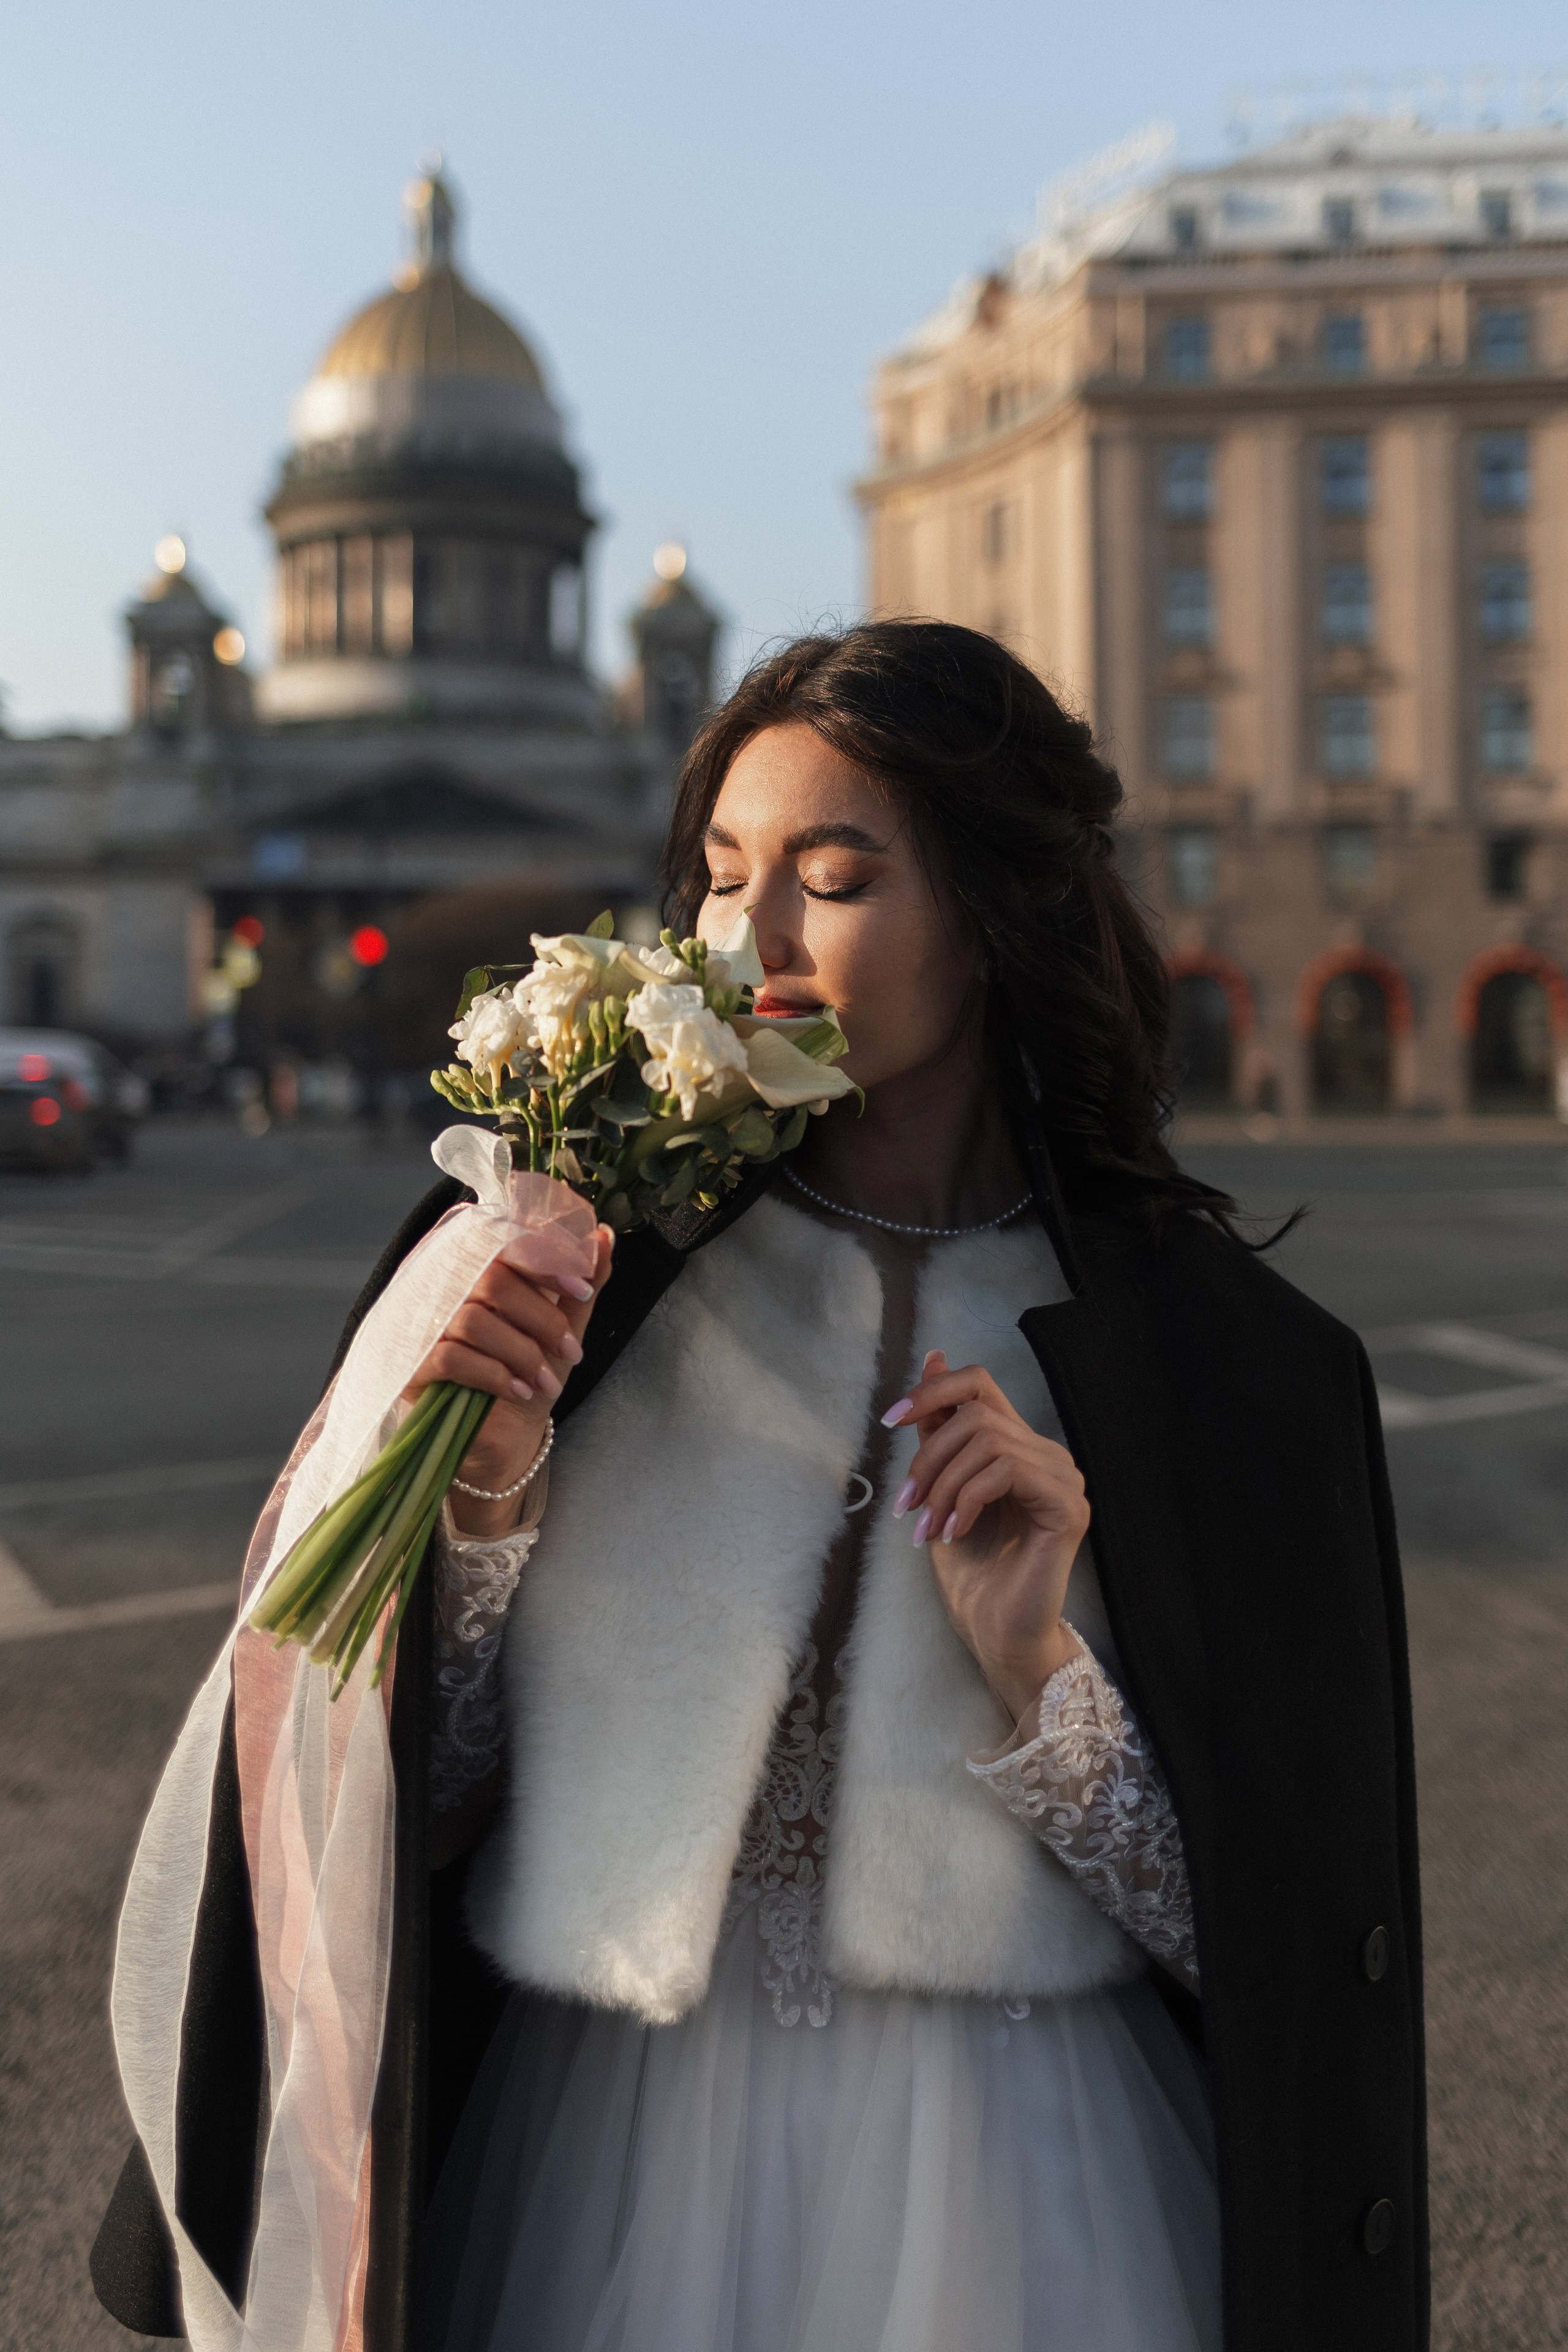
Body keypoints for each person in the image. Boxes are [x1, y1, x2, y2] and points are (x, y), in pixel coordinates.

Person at [92, 621, 1427, 2352]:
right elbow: (377, 1842)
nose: (752, 940)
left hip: (1029, 2196)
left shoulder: (1216, 1360)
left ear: (1001, 908)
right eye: (723, 876)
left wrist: (1043, 1674)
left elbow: (1273, 1955)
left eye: (836, 875)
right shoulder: (581, 1264)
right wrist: (486, 1512)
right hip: (599, 2164)